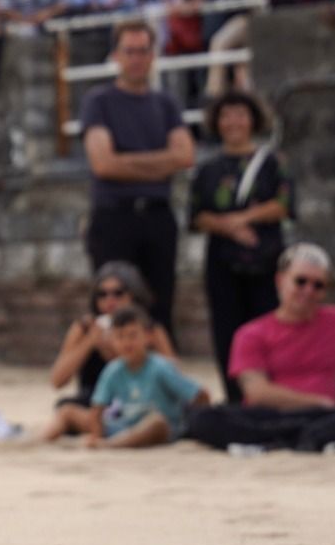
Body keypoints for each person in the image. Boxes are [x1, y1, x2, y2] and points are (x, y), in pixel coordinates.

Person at [186, 244, 335, 452]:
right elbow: (257, 393)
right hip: (273, 414)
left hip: (324, 415)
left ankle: (277, 441)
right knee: (204, 418)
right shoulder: (250, 333)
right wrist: (317, 401)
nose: (308, 291)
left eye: (318, 285)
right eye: (300, 282)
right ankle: (305, 438)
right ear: (280, 280)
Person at [80, 20, 195, 338]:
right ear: (116, 55)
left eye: (143, 51)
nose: (137, 58)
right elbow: (103, 164)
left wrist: (126, 160)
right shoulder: (98, 101)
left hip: (157, 215)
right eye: (130, 51)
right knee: (110, 304)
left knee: (160, 306)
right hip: (114, 216)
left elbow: (185, 156)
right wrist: (160, 162)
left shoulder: (166, 103)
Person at [189, 91, 293, 402]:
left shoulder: (273, 162)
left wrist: (243, 218)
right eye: (226, 115)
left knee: (269, 326)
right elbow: (197, 215)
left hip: (265, 260)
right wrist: (230, 228)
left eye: (240, 115)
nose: (233, 122)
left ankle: (268, 395)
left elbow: (284, 204)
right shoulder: (207, 169)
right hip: (223, 261)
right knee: (227, 331)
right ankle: (236, 397)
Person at [42, 305, 208, 448]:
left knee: (156, 422)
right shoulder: (113, 369)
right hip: (125, 426)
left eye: (133, 335)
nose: (127, 343)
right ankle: (37, 442)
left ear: (147, 337)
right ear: (112, 340)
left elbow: (200, 394)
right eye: (120, 336)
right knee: (67, 411)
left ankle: (109, 446)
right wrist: (96, 435)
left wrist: (196, 422)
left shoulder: (161, 367)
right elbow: (97, 409)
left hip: (162, 430)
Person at [49, 261, 177, 409]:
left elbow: (173, 375)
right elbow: (57, 380)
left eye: (118, 293)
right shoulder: (85, 327)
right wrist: (90, 341)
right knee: (65, 407)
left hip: (140, 398)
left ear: (133, 294)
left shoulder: (149, 328)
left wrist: (117, 349)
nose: (110, 300)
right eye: (102, 294)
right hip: (96, 398)